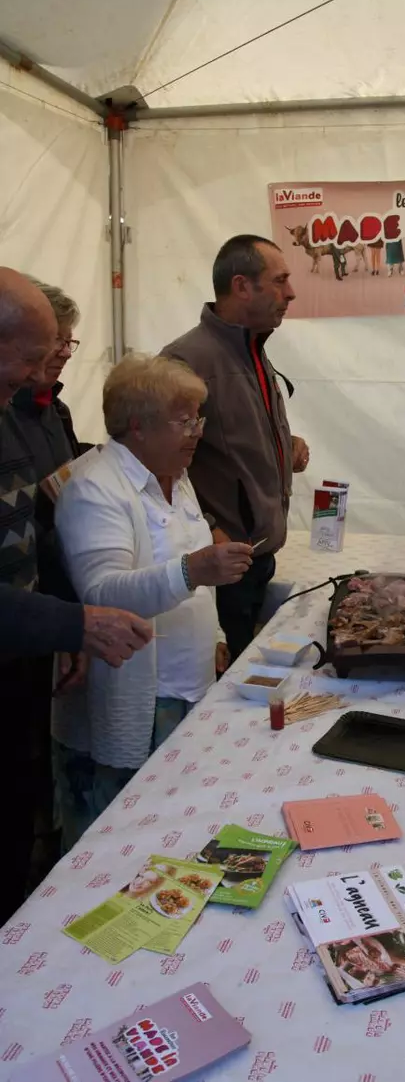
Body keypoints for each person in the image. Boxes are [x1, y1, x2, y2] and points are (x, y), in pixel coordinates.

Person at [0, 268, 151, 923]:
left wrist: (63, 626)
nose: (44, 369)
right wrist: (73, 622)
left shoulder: (20, 410)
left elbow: (38, 539)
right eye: (35, 354)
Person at [53, 354, 255, 842]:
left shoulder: (175, 474)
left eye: (198, 419)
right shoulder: (95, 486)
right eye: (184, 421)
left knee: (172, 834)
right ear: (137, 427)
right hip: (140, 695)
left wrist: (218, 636)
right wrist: (195, 568)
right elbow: (101, 594)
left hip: (188, 686)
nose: (196, 433)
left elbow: (192, 567)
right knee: (114, 841)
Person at [161, 235, 305, 660]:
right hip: (222, 566)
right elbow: (158, 467)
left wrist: (284, 444)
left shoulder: (255, 350)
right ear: (242, 286)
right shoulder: (185, 363)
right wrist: (207, 524)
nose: (291, 293)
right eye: (280, 281)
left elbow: (231, 438)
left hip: (257, 557)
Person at [11, 279, 86, 879]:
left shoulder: (47, 407)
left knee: (32, 758)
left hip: (32, 616)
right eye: (44, 349)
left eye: (62, 344)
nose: (57, 359)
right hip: (29, 616)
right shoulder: (16, 407)